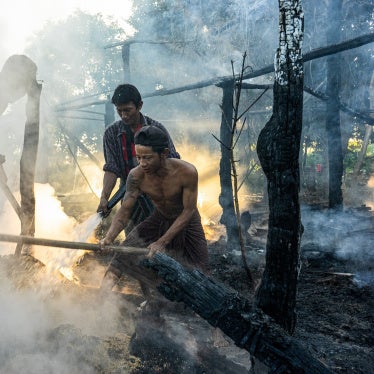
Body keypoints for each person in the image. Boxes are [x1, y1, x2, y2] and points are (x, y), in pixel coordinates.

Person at [99, 125, 209, 294]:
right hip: (159, 218)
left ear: (164, 153)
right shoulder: (136, 176)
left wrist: (162, 242)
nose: (142, 163)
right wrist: (109, 237)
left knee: (200, 273)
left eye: (148, 158)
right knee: (121, 258)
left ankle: (182, 306)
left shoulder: (187, 172)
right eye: (139, 157)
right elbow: (125, 211)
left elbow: (188, 211)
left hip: (188, 221)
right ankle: (100, 299)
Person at [97, 84, 180, 233]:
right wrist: (104, 197)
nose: (124, 115)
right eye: (119, 110)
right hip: (129, 193)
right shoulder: (111, 133)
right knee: (133, 239)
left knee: (162, 238)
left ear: (139, 105)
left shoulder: (157, 129)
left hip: (158, 193)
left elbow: (173, 161)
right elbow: (112, 169)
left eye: (128, 110)